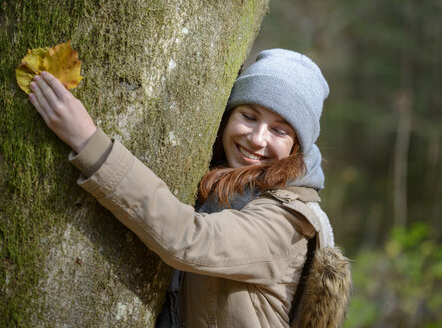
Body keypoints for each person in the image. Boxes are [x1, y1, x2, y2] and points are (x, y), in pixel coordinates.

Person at [28, 49, 351, 328]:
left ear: (297, 147)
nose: (257, 138)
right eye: (249, 116)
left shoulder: (288, 222)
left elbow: (191, 238)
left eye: (279, 130)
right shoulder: (222, 184)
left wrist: (88, 141)